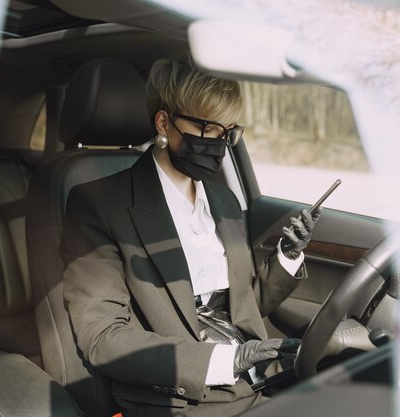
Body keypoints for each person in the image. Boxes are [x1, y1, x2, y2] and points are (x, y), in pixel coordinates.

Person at [60, 54, 320, 417]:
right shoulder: (98, 204)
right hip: (180, 398)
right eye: (207, 128)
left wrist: (287, 258)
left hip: (256, 381)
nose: (219, 142)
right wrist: (225, 361)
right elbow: (103, 338)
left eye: (228, 132)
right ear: (164, 122)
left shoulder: (224, 200)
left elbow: (244, 306)